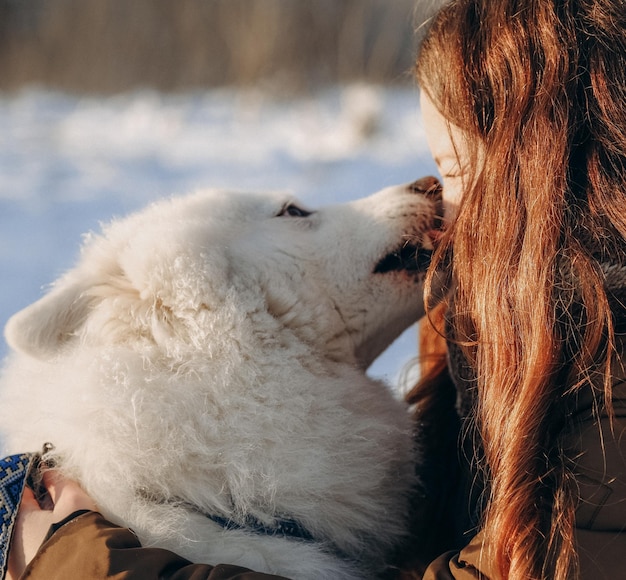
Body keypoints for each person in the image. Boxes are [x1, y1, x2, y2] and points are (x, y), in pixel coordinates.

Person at [7, 0, 626, 578]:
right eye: (294, 215)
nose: (437, 197)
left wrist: (75, 558)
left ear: (548, 166)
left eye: (455, 169)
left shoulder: (604, 379)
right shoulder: (499, 338)